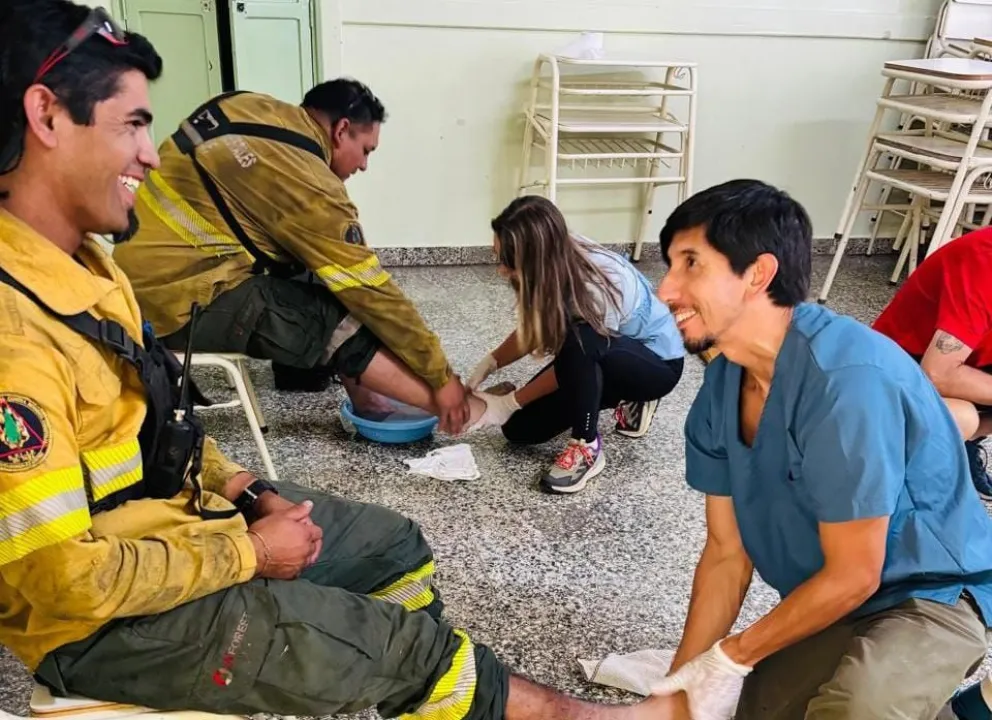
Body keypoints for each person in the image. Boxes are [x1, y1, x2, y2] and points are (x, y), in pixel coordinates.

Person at [0, 3, 689, 720]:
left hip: (179, 521)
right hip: (105, 625)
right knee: (406, 650)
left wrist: (243, 488)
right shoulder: (15, 337)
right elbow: (63, 583)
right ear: (46, 116)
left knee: (395, 546)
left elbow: (158, 426)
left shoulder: (94, 274)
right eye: (133, 125)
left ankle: (423, 681)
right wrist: (253, 552)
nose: (150, 153)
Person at [649, 179, 992, 720]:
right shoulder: (722, 388)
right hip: (834, 596)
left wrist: (733, 655)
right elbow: (725, 555)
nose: (666, 290)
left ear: (758, 274)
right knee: (753, 710)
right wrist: (678, 690)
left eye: (690, 264)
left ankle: (966, 708)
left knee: (856, 710)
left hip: (933, 593)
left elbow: (856, 574)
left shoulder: (845, 380)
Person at [111, 74, 483, 434]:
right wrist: (441, 379)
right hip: (173, 302)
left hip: (134, 278)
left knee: (320, 271)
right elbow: (371, 290)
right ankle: (453, 409)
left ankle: (322, 379)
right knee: (334, 317)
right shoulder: (309, 184)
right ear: (341, 130)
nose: (364, 165)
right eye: (365, 150)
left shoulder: (244, 105)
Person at [465, 196, 685, 494]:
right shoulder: (552, 257)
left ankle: (586, 446)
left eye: (507, 261)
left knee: (579, 340)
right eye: (499, 257)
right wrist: (489, 364)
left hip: (656, 364)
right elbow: (537, 326)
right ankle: (623, 397)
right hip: (605, 354)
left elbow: (578, 357)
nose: (501, 270)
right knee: (519, 429)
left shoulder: (596, 283)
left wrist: (509, 402)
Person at [871, 226, 992, 499]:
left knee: (966, 421)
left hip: (968, 359)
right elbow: (938, 374)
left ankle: (964, 441)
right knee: (963, 417)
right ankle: (917, 461)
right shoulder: (986, 261)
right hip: (901, 370)